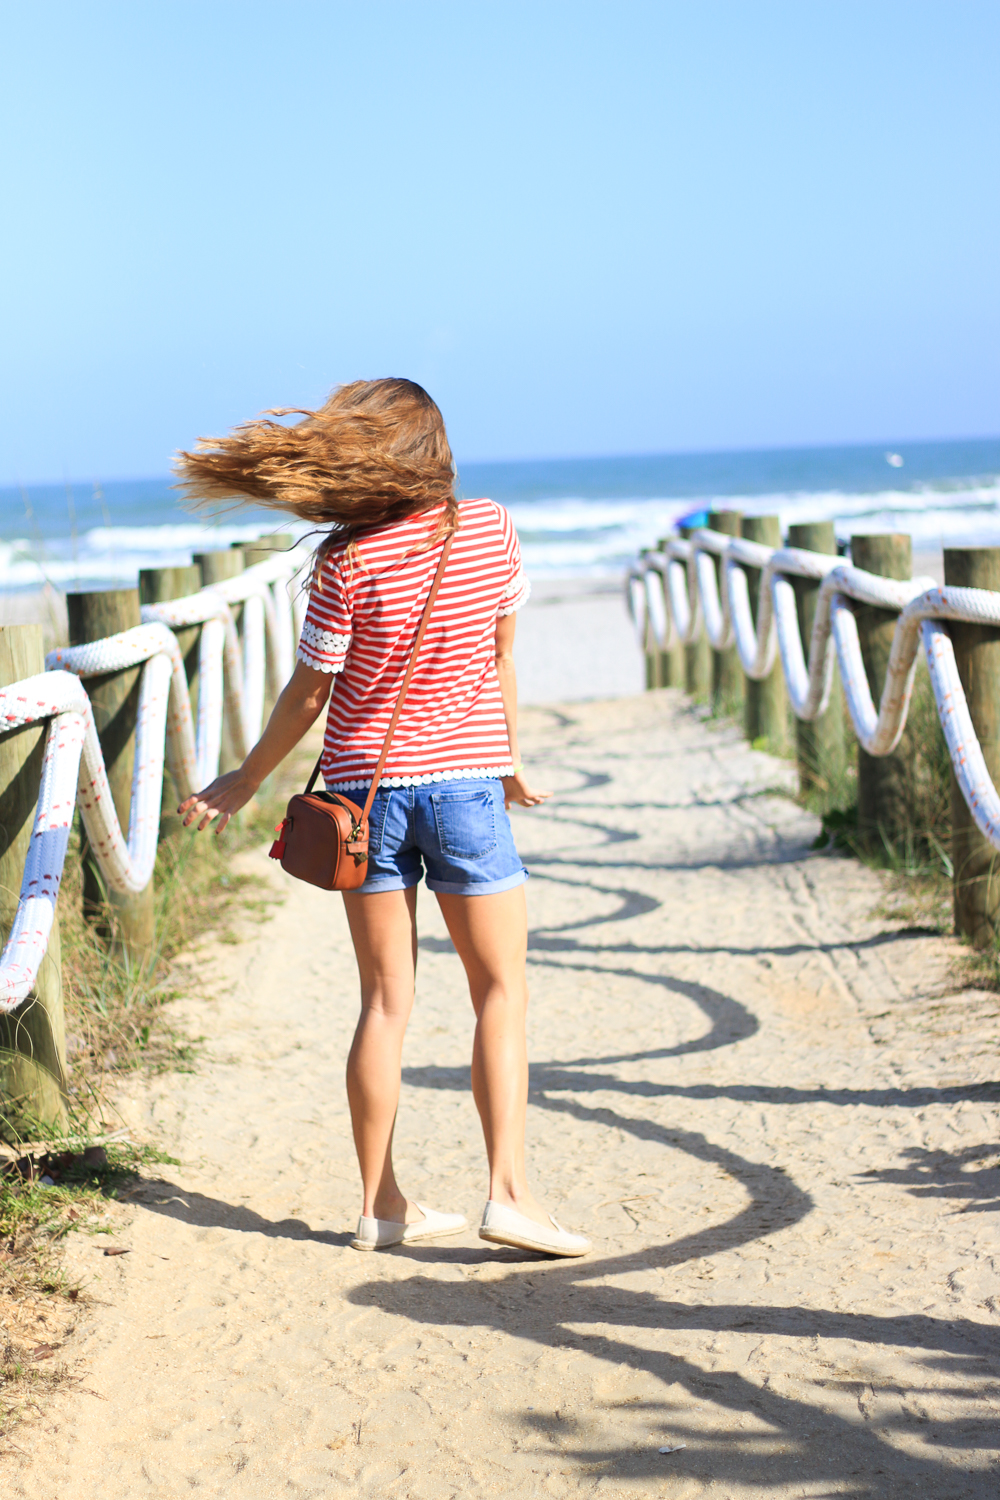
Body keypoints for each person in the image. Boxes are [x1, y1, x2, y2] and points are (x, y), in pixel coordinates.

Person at [175, 378, 590, 1258]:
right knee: (501, 990)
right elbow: (501, 653)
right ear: (433, 455)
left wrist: (246, 781)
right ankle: (507, 1195)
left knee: (384, 1003)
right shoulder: (489, 528)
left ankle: (381, 1207)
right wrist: (509, 762)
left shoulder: (345, 563)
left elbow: (310, 694)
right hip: (466, 788)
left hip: (363, 800)